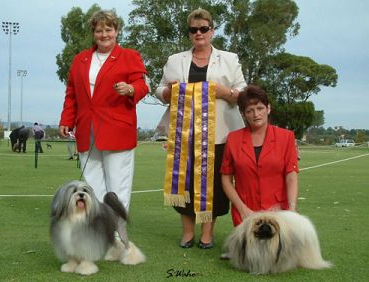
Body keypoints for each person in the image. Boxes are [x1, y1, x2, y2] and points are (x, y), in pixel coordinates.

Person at [155, 8, 246, 249]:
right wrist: (168, 91)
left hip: (218, 135)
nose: (199, 33)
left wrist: (226, 93)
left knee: (214, 185)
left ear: (212, 31)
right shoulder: (175, 60)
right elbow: (159, 90)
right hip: (183, 135)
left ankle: (207, 233)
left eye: (203, 28)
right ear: (189, 34)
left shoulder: (229, 59)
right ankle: (187, 233)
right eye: (194, 30)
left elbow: (243, 93)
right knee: (183, 183)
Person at [59, 10, 149, 214]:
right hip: (86, 130)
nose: (104, 34)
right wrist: (67, 119)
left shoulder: (129, 56)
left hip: (117, 130)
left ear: (117, 31)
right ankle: (98, 229)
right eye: (99, 30)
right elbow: (72, 93)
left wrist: (131, 88)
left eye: (108, 29)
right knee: (92, 185)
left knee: (118, 186)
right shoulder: (80, 59)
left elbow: (142, 86)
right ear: (93, 33)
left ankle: (117, 233)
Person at [220, 84, 299, 228]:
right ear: (243, 114)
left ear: (268, 108)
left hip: (279, 212)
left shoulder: (286, 137)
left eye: (260, 108)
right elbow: (226, 179)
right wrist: (242, 209)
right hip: (245, 214)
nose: (256, 114)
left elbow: (291, 175)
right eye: (250, 110)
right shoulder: (232, 139)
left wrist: (292, 208)